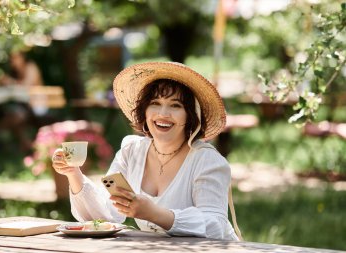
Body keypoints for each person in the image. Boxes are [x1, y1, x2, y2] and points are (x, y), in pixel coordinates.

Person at [52, 62, 242, 240]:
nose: (163, 114)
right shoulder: (131, 150)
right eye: (155, 103)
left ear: (191, 116)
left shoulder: (207, 161)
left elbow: (215, 225)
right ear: (144, 110)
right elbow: (106, 214)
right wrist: (73, 174)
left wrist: (154, 213)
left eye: (176, 105)